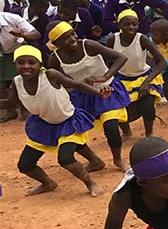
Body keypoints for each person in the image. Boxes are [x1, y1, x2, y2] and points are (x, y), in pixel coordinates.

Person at [2, 45, 105, 197]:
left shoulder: (50, 75)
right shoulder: (17, 82)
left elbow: (76, 84)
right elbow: (11, 103)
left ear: (40, 64)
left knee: (65, 157)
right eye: (21, 62)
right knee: (25, 165)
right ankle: (48, 183)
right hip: (44, 124)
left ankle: (91, 183)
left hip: (69, 121)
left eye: (31, 62)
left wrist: (99, 93)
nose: (26, 66)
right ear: (14, 65)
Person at [48, 21, 131, 171]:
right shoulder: (55, 58)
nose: (72, 39)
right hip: (82, 97)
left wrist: (105, 77)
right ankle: (94, 160)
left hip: (108, 89)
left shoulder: (88, 45)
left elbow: (120, 58)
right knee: (74, 132)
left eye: (73, 33)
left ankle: (118, 159)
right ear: (56, 43)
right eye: (65, 38)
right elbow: (55, 81)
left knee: (111, 126)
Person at [108, 10, 166, 139]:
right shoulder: (113, 40)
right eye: (127, 24)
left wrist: (147, 82)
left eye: (134, 24)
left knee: (147, 104)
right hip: (121, 79)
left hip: (143, 76)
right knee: (118, 107)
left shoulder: (142, 39)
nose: (131, 27)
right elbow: (106, 61)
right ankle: (127, 132)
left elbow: (162, 62)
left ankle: (149, 133)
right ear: (119, 25)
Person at [1, 9, 42, 122]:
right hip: (1, 55)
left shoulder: (12, 18)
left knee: (24, 79)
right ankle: (11, 110)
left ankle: (25, 108)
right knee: (0, 85)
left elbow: (36, 34)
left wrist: (22, 34)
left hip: (18, 51)